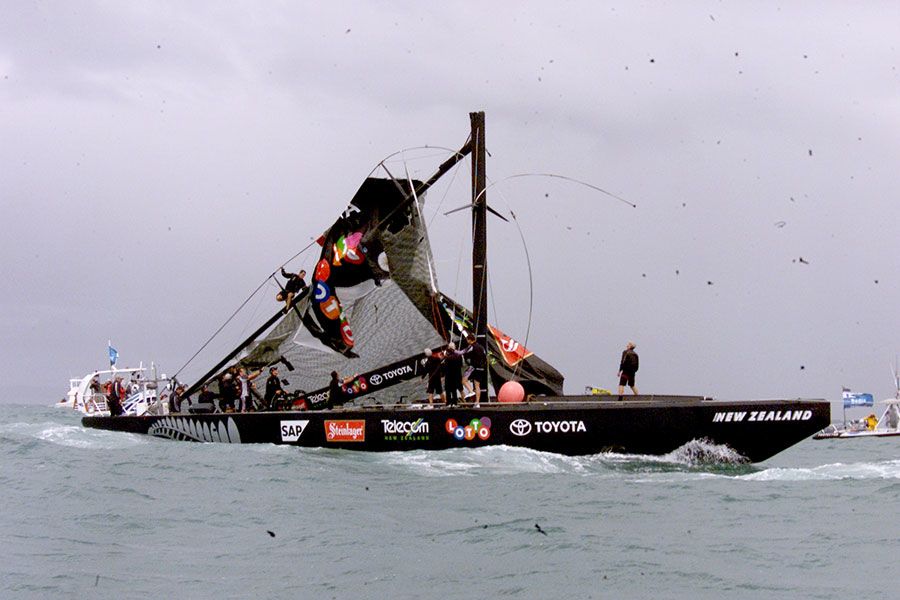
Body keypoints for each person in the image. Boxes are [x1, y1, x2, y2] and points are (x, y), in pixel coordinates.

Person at [462, 333, 487, 406]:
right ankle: (477, 403)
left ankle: (471, 392)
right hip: (481, 368)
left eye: (467, 340)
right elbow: (485, 357)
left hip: (475, 368)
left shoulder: (472, 347)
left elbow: (465, 354)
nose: (467, 341)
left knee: (464, 380)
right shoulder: (482, 347)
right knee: (477, 386)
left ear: (470, 340)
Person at [443, 342, 464, 406]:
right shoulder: (459, 356)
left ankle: (448, 403)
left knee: (448, 390)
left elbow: (445, 368)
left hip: (449, 376)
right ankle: (455, 402)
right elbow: (461, 365)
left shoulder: (448, 358)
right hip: (457, 375)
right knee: (454, 390)